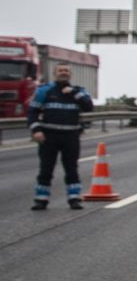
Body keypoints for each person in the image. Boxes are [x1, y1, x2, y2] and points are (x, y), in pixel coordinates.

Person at [28, 63, 94, 211]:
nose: (63, 73)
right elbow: (32, 112)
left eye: (66, 71)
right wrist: (36, 130)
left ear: (70, 74)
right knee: (46, 169)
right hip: (49, 136)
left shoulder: (79, 91)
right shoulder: (44, 91)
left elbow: (88, 107)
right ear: (55, 73)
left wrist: (73, 93)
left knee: (71, 168)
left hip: (71, 136)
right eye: (60, 71)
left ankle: (74, 198)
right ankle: (41, 199)